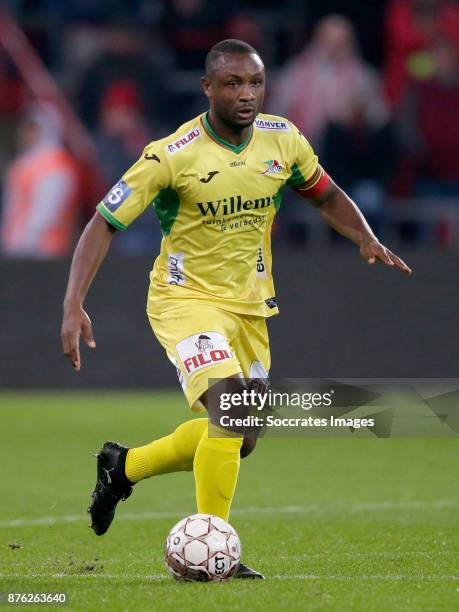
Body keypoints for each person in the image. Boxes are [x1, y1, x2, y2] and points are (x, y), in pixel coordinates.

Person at [61, 39, 412, 580]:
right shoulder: (171, 155)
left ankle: (123, 467)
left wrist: (364, 237)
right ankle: (214, 550)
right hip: (185, 300)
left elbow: (326, 193)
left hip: (249, 306)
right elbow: (103, 223)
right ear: (207, 88)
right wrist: (73, 303)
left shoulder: (283, 140)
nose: (246, 94)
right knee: (228, 412)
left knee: (240, 437)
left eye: (254, 83)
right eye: (232, 83)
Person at [1, 104, 80, 258]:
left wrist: (25, 242)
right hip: (16, 246)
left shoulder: (56, 163)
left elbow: (48, 210)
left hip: (45, 248)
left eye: (32, 129)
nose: (26, 133)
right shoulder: (23, 163)